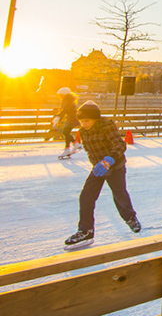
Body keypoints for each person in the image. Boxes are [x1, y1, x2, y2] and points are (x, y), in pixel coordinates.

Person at [64, 101, 140, 249]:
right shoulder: (84, 131)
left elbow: (120, 145)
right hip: (99, 167)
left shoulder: (107, 127)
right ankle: (86, 231)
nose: (84, 124)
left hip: (115, 165)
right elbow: (91, 151)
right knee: (86, 196)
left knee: (119, 194)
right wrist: (97, 164)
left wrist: (108, 160)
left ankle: (130, 218)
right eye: (81, 121)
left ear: (96, 119)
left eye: (87, 120)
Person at [53, 87, 80, 159]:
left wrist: (58, 117)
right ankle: (75, 144)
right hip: (70, 118)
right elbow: (64, 110)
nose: (60, 96)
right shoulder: (67, 100)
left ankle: (68, 149)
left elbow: (65, 110)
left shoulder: (69, 101)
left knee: (66, 132)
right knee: (66, 132)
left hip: (72, 119)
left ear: (64, 94)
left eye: (61, 95)